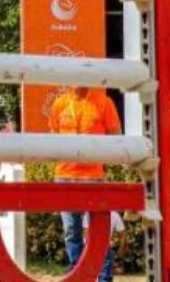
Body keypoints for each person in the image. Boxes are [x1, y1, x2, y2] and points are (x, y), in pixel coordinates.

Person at [49, 86, 121, 282]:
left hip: (94, 177)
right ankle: (78, 277)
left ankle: (105, 278)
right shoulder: (59, 103)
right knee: (71, 231)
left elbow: (117, 137)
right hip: (64, 176)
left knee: (99, 231)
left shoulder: (104, 103)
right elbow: (54, 138)